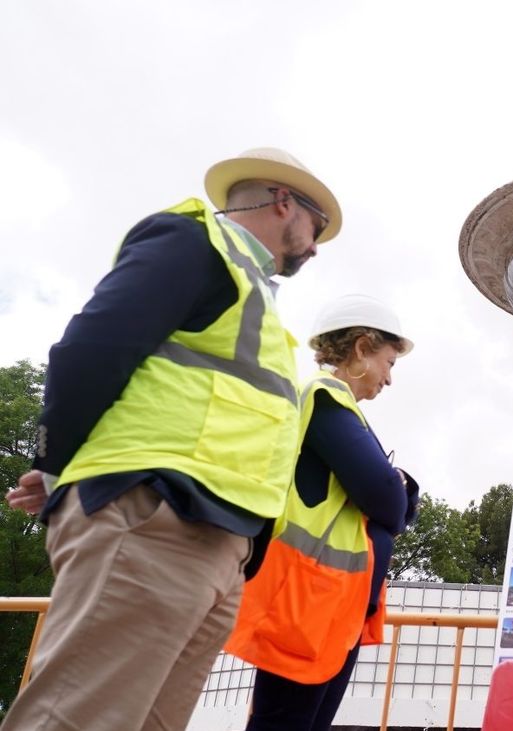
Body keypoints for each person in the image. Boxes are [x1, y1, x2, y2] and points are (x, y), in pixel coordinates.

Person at [2, 147, 341, 731]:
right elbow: (91, 348)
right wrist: (60, 467)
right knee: (80, 719)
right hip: (155, 517)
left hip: (217, 541)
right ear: (284, 202)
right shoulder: (193, 242)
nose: (315, 246)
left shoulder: (254, 299)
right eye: (317, 227)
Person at [226, 293, 419, 731]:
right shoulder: (325, 397)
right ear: (361, 347)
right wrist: (401, 484)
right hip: (309, 601)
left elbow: (390, 505)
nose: (389, 379)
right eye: (389, 362)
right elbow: (389, 500)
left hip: (332, 603)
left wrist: (397, 492)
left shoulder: (337, 409)